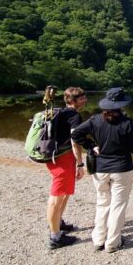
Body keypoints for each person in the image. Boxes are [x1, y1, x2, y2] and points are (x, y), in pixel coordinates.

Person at [72, 87, 133, 253]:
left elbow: (76, 134)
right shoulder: (128, 123)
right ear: (121, 105)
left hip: (100, 169)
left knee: (102, 203)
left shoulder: (95, 120)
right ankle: (113, 243)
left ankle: (99, 240)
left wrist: (91, 146)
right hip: (122, 169)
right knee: (118, 205)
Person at [46, 86, 88, 249]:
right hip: (63, 158)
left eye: (84, 97)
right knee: (56, 196)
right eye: (81, 98)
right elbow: (74, 141)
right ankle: (55, 237)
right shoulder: (74, 116)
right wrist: (80, 163)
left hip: (56, 156)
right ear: (72, 100)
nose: (85, 100)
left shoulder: (61, 113)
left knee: (64, 193)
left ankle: (58, 222)